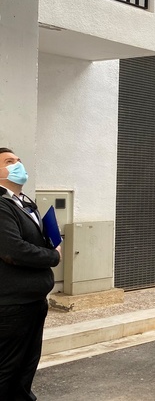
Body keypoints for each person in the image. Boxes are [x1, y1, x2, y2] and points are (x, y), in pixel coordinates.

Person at [0, 147, 62, 401]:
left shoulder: (25, 203)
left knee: (26, 365)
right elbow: (14, 250)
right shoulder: (2, 207)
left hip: (33, 301)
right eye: (9, 161)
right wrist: (54, 256)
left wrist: (49, 243)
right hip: (12, 304)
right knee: (7, 367)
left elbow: (35, 241)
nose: (18, 165)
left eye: (19, 160)